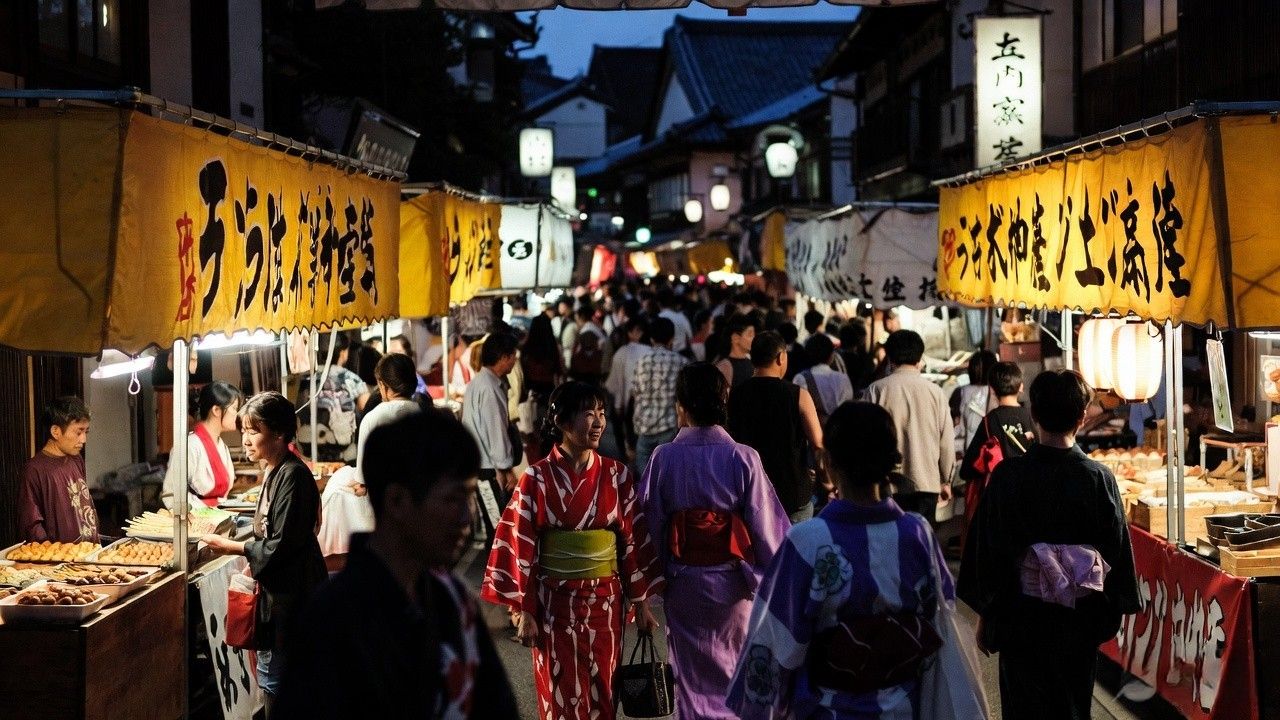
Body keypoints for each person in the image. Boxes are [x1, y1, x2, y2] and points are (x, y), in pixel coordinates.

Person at [727, 402, 969, 719]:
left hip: (829, 709)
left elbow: (775, 639)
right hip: (904, 708)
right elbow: (940, 619)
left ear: (827, 461)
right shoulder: (916, 534)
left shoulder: (807, 541)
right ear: (892, 460)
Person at [276, 410, 518, 718]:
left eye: (469, 498)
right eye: (452, 499)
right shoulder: (329, 617)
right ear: (397, 501)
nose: (466, 519)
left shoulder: (454, 599)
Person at [959, 370, 1140, 718]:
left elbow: (989, 554)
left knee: (1022, 707)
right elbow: (1114, 552)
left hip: (1020, 619)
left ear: (1034, 415)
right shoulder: (1098, 478)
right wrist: (1104, 614)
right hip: (1077, 621)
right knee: (1072, 707)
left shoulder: (1008, 476)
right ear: (1082, 416)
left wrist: (987, 615)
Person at [481, 381, 662, 720]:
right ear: (562, 421)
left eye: (602, 414)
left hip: (605, 604)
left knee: (604, 691)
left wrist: (641, 601)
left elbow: (631, 544)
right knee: (557, 688)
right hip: (553, 605)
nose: (598, 423)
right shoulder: (534, 479)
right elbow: (522, 548)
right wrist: (526, 610)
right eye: (588, 414)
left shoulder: (616, 475)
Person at [638, 363, 790, 720]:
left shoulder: (664, 457)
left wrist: (650, 582)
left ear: (682, 405)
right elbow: (767, 528)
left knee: (689, 681)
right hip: (734, 584)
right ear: (724, 400)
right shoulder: (743, 457)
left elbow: (649, 524)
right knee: (736, 672)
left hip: (684, 583)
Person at [202, 392, 327, 709]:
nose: (245, 439)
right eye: (243, 430)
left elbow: (281, 544)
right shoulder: (276, 470)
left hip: (293, 598)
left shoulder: (293, 475)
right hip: (281, 594)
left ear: (281, 433)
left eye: (253, 431)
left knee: (280, 684)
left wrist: (233, 546)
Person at [728, 331, 824, 523]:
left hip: (750, 492)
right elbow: (818, 444)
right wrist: (826, 481)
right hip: (793, 493)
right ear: (781, 357)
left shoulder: (736, 395)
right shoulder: (798, 395)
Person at [864, 330, 954, 525]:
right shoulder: (936, 392)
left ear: (889, 356)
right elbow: (946, 442)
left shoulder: (876, 390)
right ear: (919, 357)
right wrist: (946, 480)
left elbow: (866, 438)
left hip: (886, 485)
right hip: (926, 483)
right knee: (919, 545)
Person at [460, 331, 520, 541]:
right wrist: (505, 469)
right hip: (488, 469)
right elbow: (496, 432)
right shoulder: (489, 388)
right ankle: (498, 572)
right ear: (504, 357)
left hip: (483, 464)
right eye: (514, 356)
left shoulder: (482, 383)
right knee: (498, 529)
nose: (515, 361)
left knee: (496, 525)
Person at [18, 396, 98, 543]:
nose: (83, 440)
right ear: (56, 431)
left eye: (86, 432)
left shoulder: (76, 459)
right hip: (62, 561)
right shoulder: (34, 469)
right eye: (78, 432)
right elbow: (32, 525)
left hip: (89, 553)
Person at [164, 381, 243, 510]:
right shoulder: (189, 446)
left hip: (218, 516)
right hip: (197, 521)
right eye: (234, 408)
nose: (237, 414)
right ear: (216, 410)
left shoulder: (222, 446)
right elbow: (171, 494)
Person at [297, 332, 371, 462]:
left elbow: (299, 406)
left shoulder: (306, 379)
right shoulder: (351, 378)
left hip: (308, 447)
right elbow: (367, 407)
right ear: (343, 353)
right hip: (343, 451)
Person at [631, 317, 690, 476]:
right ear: (672, 338)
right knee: (666, 477)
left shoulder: (641, 361)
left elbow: (635, 392)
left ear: (651, 338)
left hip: (643, 426)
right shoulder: (681, 361)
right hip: (669, 427)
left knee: (645, 480)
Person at [604, 317, 650, 458]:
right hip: (648, 403)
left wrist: (618, 405)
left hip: (629, 404)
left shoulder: (621, 353)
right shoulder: (650, 351)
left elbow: (615, 384)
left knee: (631, 441)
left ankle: (631, 466)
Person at [793, 333, 854, 425]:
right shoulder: (843, 378)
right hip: (839, 431)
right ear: (831, 355)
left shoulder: (801, 378)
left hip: (812, 431)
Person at [950, 350, 998, 451]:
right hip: (992, 453)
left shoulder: (960, 392)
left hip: (965, 452)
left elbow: (954, 424)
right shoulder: (998, 392)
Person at [715, 313, 757, 390]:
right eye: (750, 335)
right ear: (735, 338)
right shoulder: (725, 366)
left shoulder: (751, 363)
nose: (754, 339)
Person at [658, 288, 694, 355]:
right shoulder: (682, 317)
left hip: (662, 355)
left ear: (658, 303)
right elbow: (690, 337)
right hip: (681, 354)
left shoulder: (657, 318)